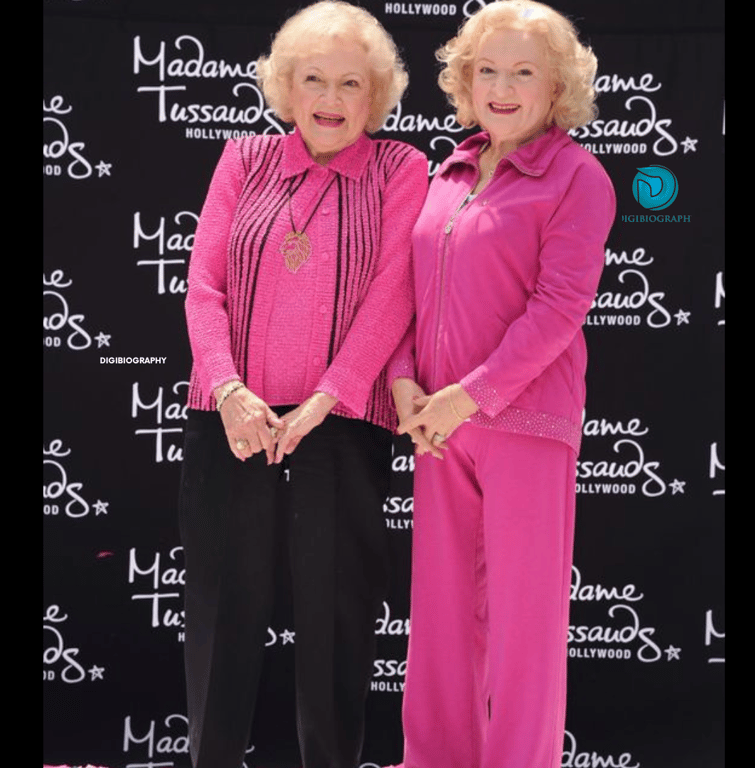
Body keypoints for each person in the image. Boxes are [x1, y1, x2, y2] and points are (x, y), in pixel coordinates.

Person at [177, 3, 428, 767]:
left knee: (336, 620)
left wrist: (326, 397)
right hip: (232, 417)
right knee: (223, 612)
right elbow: (203, 286)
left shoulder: (400, 168)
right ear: (286, 88)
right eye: (313, 78)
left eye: (350, 82)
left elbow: (395, 293)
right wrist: (226, 388)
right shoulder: (244, 157)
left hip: (343, 423)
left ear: (375, 95)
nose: (330, 97)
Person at [388, 2, 616, 766]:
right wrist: (403, 384)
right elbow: (408, 297)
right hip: (436, 429)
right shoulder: (445, 171)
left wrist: (465, 397)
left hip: (525, 425)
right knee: (442, 623)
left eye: (524, 71)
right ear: (464, 79)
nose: (504, 86)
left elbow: (558, 312)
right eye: (488, 69)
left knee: (526, 630)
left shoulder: (578, 178)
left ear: (558, 88)